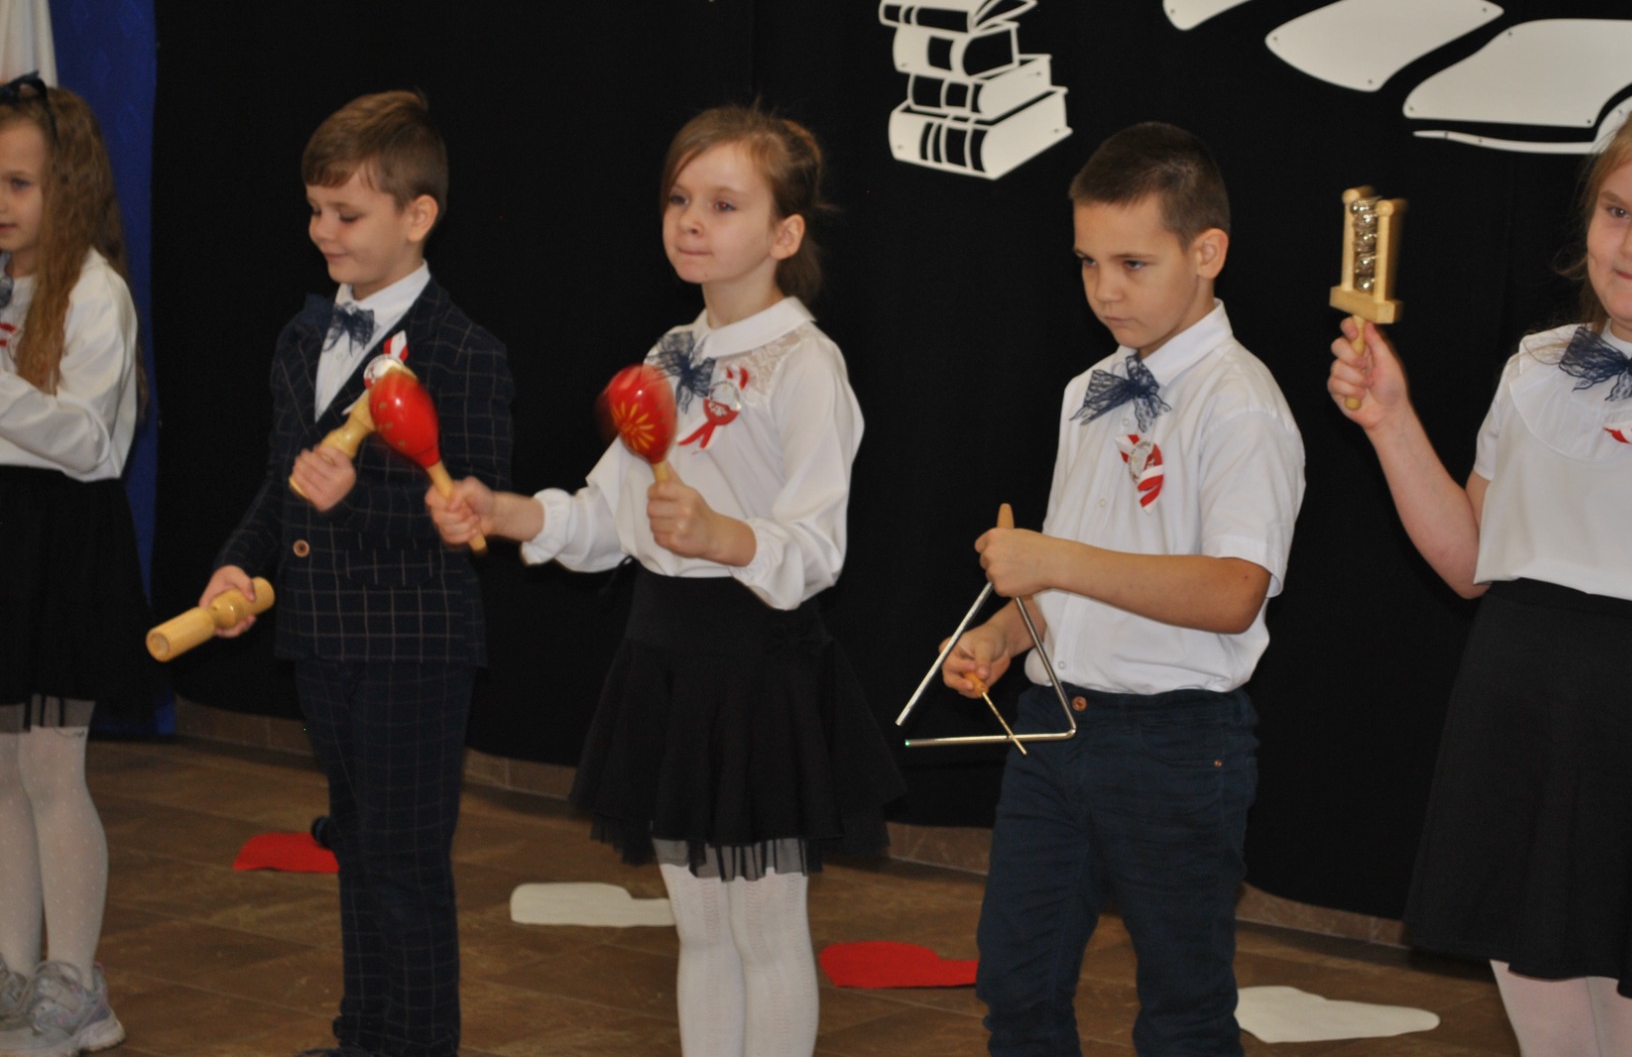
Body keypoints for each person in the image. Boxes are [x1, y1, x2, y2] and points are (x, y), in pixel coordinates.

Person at [1327, 86, 1632, 1056]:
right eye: (1617, 211)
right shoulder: (1535, 372)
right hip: (1519, 725)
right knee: (1552, 1039)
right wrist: (1389, 420)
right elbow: (1472, 564)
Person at [426, 105, 902, 1057]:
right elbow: (609, 519)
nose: (691, 220)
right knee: (701, 930)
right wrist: (508, 511)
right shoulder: (668, 356)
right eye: (680, 198)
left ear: (784, 234)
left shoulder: (807, 365)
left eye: (723, 204)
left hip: (757, 664)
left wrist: (725, 535)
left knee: (765, 931)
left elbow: (818, 547)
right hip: (666, 657)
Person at [942, 123, 1306, 1056]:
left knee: (1183, 1010)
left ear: (1207, 252)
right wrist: (1004, 634)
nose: (1105, 289)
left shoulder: (1240, 403)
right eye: (1088, 263)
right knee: (1015, 983)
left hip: (1176, 739)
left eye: (1134, 263)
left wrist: (1053, 562)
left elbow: (1233, 591)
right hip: (1053, 724)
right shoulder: (1090, 389)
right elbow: (1070, 577)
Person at [199, 90, 514, 1057]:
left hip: (415, 646)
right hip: (322, 638)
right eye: (315, 210)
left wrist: (359, 502)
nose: (322, 231)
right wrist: (235, 563)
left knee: (405, 867)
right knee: (357, 849)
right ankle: (365, 1035)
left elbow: (474, 512)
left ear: (418, 216)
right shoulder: (304, 336)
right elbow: (284, 481)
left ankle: (416, 1044)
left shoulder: (463, 350)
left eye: (346, 213)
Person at [0, 75, 147, 1057]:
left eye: (19, 183)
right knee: (1, 770)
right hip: (4, 538)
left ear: (71, 187)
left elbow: (91, 444)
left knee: (52, 766)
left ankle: (75, 980)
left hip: (62, 539)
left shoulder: (96, 292)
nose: (1, 202)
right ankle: (15, 971)